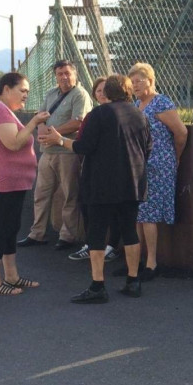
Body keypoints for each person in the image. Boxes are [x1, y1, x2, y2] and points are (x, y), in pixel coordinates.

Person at [42, 74, 152, 303]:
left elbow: (84, 146)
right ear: (128, 91)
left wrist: (60, 140)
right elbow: (147, 147)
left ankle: (97, 286)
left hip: (101, 184)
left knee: (97, 233)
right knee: (130, 231)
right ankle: (133, 281)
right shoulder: (139, 114)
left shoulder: (98, 114)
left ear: (107, 93)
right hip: (132, 182)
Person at [0, 73, 50, 295]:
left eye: (27, 92)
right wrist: (34, 122)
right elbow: (13, 143)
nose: (26, 96)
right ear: (7, 89)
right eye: (23, 91)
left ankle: (11, 276)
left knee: (10, 229)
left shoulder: (5, 110)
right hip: (5, 181)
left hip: (15, 181)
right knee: (2, 229)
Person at [18, 60, 92, 250]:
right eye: (60, 74)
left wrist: (53, 134)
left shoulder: (80, 95)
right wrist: (42, 130)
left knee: (70, 195)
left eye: (67, 73)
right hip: (47, 152)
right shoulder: (52, 93)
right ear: (56, 76)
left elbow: (79, 122)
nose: (64, 77)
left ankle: (68, 236)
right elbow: (41, 114)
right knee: (41, 194)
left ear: (75, 74)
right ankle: (37, 233)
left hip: (68, 152)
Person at [129, 62, 188, 280]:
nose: (135, 85)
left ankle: (151, 263)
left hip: (159, 164)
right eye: (132, 82)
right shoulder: (136, 105)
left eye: (139, 81)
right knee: (138, 214)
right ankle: (136, 261)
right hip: (139, 165)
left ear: (150, 81)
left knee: (148, 214)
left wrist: (175, 157)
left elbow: (180, 133)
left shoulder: (161, 103)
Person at [67, 76, 118, 263]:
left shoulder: (120, 113)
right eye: (98, 90)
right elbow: (82, 141)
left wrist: (61, 140)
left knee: (115, 210)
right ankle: (91, 245)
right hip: (92, 169)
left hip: (114, 171)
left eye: (105, 89)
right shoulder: (92, 115)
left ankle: (111, 246)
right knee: (87, 204)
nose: (102, 93)